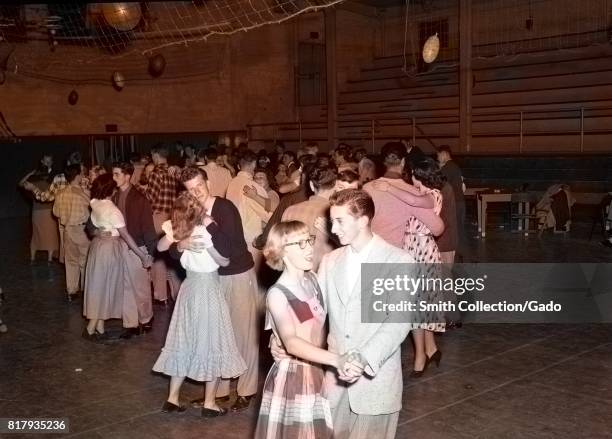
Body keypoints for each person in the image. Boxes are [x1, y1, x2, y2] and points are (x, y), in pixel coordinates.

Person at [272, 189, 414, 439]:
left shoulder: (398, 260)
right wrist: (283, 335)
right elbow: (314, 309)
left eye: (339, 221)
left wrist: (363, 358)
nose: (333, 229)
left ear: (363, 220)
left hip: (375, 381)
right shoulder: (331, 260)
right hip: (335, 382)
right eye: (332, 221)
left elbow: (398, 323)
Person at [256, 221, 357, 439]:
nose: (310, 248)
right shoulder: (278, 294)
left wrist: (275, 339)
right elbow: (290, 342)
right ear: (281, 251)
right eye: (300, 243)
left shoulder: (311, 279)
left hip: (314, 371)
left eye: (309, 240)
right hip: (292, 378)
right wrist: (336, 359)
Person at [174, 167, 260, 412]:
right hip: (211, 281)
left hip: (237, 275)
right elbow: (171, 249)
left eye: (199, 185)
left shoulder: (224, 208)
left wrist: (209, 224)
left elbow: (231, 248)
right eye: (190, 189)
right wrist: (181, 244)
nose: (196, 191)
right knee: (219, 337)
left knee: (244, 334)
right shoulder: (189, 211)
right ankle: (220, 392)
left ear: (208, 183)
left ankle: (246, 389)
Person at [153, 193, 246, 416]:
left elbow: (160, 247)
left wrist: (180, 242)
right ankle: (209, 403)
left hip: (188, 288)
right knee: (212, 341)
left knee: (182, 339)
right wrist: (216, 252)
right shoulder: (205, 232)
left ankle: (172, 398)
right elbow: (224, 260)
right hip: (208, 289)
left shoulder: (177, 228)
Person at [82, 174, 152, 342]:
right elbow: (127, 237)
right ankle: (90, 329)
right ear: (112, 190)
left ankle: (99, 327)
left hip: (97, 246)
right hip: (109, 249)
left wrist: (98, 231)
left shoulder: (94, 203)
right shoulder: (113, 211)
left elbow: (91, 225)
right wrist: (143, 256)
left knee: (98, 286)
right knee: (105, 287)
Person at [52, 164, 91, 301]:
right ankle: (86, 289)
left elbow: (56, 212)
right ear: (78, 175)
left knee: (71, 261)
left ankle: (71, 291)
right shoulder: (84, 193)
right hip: (82, 230)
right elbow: (93, 209)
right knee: (85, 261)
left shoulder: (61, 193)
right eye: (81, 173)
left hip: (67, 230)